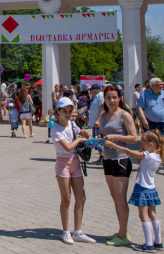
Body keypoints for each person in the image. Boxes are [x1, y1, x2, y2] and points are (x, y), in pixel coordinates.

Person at [104, 130, 164, 252]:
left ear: (151, 144)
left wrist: (113, 145)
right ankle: (158, 242)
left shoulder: (148, 155)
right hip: (152, 188)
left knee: (143, 215)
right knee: (152, 214)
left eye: (143, 143)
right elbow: (140, 159)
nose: (142, 146)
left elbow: (129, 152)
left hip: (142, 187)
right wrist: (142, 149)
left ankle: (149, 244)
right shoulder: (158, 157)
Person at [51, 97, 95, 245]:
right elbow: (68, 147)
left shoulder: (72, 124)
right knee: (66, 198)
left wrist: (89, 137)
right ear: (58, 111)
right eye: (65, 111)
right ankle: (65, 231)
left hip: (75, 162)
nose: (68, 114)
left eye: (70, 111)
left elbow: (82, 132)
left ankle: (78, 231)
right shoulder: (55, 129)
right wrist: (80, 140)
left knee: (81, 197)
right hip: (63, 163)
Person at [99, 85, 139, 246]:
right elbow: (103, 134)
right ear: (104, 99)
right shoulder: (104, 116)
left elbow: (134, 138)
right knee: (115, 196)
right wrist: (98, 140)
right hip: (107, 159)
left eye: (114, 97)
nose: (112, 100)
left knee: (121, 198)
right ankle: (122, 231)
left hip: (121, 159)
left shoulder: (125, 115)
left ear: (120, 98)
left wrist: (115, 136)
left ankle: (123, 236)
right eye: (108, 97)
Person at [137, 78, 164, 174]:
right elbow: (140, 108)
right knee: (152, 144)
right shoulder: (145, 95)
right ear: (152, 86)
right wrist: (143, 120)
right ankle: (155, 164)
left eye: (162, 84)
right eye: (159, 85)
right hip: (150, 123)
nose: (161, 86)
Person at [88, 84, 104, 164]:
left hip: (98, 123)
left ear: (94, 91)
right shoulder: (96, 97)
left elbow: (102, 109)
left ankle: (103, 157)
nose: (91, 93)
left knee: (99, 141)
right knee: (97, 141)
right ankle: (101, 157)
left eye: (91, 91)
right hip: (94, 123)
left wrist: (98, 120)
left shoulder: (100, 96)